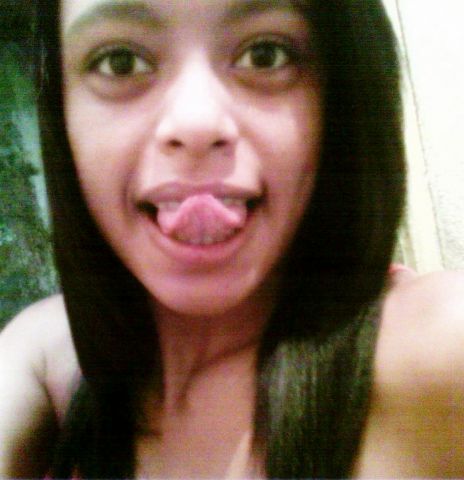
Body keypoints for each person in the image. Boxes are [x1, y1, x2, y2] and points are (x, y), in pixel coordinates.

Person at [1, 0, 463, 478]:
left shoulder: (443, 350)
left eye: (265, 55)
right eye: (120, 62)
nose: (195, 123)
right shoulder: (46, 353)